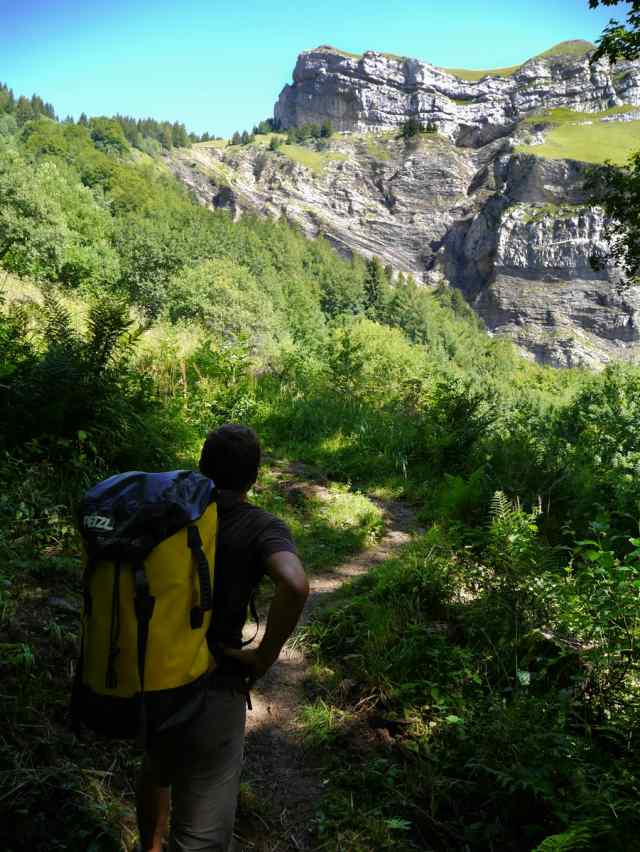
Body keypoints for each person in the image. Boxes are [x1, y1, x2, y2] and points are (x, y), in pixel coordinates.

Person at [135, 424, 309, 852]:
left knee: (158, 767)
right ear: (255, 477)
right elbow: (295, 584)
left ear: (201, 466)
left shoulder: (170, 514)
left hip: (154, 675)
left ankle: (151, 846)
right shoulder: (259, 526)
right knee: (202, 832)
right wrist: (263, 657)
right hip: (214, 684)